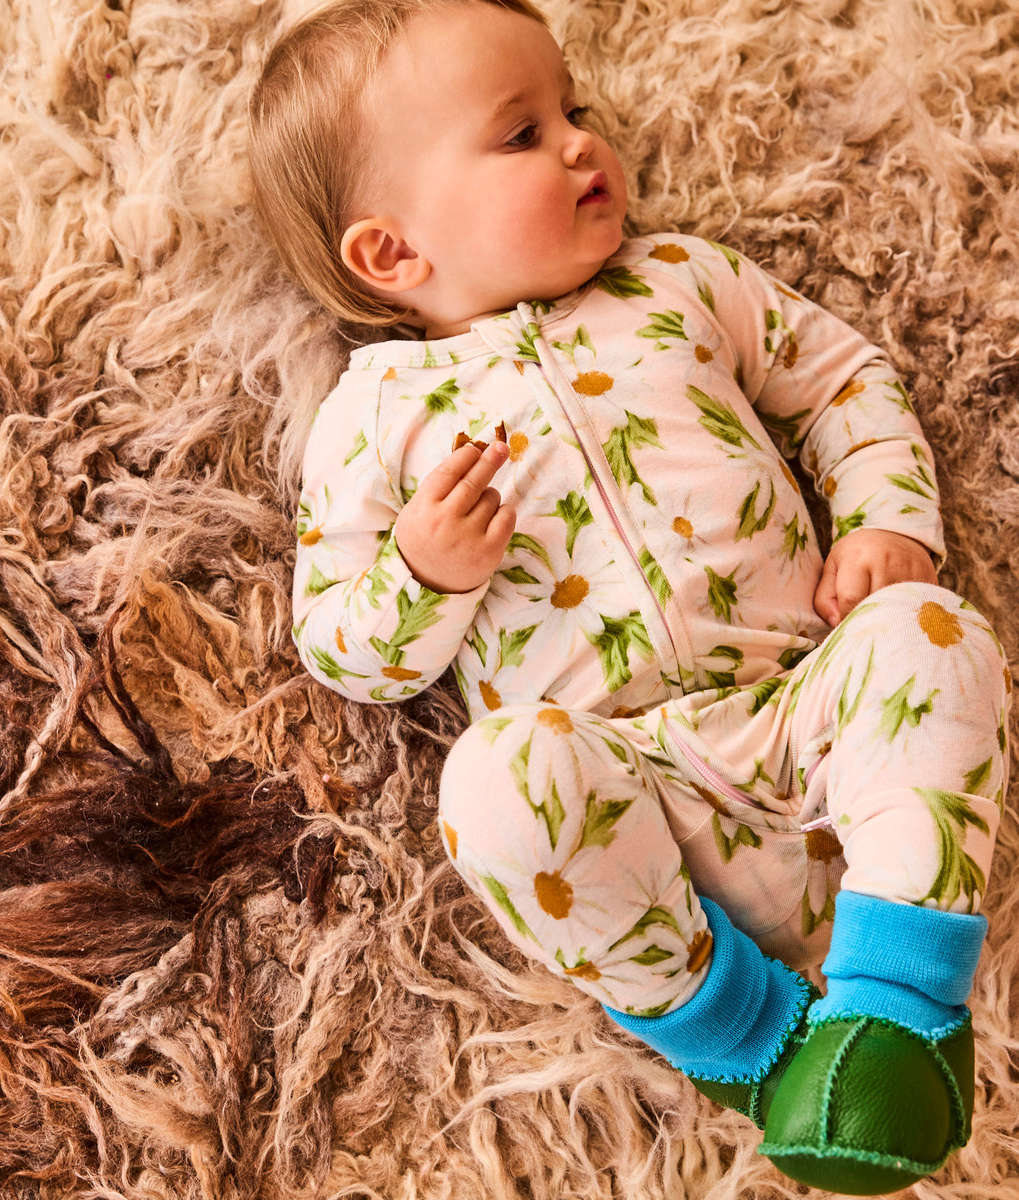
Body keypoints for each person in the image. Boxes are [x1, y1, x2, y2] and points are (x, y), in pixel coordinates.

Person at [248, 0, 1012, 1191]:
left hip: (797, 712)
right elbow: (341, 647)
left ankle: (898, 1010)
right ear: (392, 253)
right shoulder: (375, 413)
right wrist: (421, 576)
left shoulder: (678, 280)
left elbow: (843, 377)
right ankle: (754, 1048)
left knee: (934, 638)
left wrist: (883, 521)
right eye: (521, 135)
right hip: (626, 811)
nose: (580, 144)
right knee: (491, 782)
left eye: (577, 110)